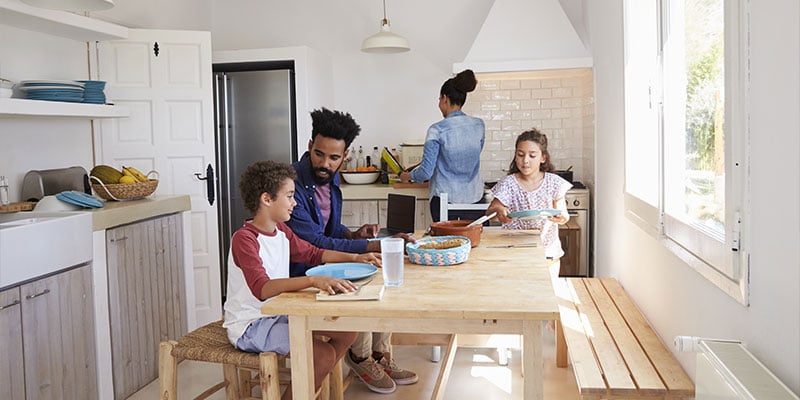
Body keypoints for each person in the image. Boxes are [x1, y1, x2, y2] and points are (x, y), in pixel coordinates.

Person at [286, 108, 418, 394]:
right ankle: (359, 357)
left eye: (334, 158)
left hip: (323, 264)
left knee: (381, 276)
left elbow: (329, 231)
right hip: (301, 273)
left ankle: (379, 355)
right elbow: (315, 244)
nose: (324, 163)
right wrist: (372, 244)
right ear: (309, 147)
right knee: (360, 285)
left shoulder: (331, 177)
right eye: (319, 154)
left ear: (344, 156)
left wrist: (353, 234)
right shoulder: (291, 185)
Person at [223, 160, 380, 400]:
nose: (295, 203)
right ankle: (303, 388)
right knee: (323, 355)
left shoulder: (281, 231)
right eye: (289, 196)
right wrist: (314, 280)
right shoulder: (245, 239)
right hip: (251, 325)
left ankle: (305, 386)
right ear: (266, 199)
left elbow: (313, 253)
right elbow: (263, 288)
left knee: (348, 332)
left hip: (278, 313)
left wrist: (357, 257)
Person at [399, 69, 486, 222]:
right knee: (474, 243)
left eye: (439, 99)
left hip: (446, 202)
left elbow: (426, 173)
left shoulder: (437, 130)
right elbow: (465, 158)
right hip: (475, 199)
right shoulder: (479, 125)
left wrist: (408, 176)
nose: (439, 104)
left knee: (446, 245)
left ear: (445, 99)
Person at [486, 129, 571, 259]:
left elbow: (563, 214)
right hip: (514, 251)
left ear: (543, 158)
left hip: (547, 251)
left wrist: (561, 217)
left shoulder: (554, 182)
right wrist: (499, 211)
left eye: (532, 156)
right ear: (515, 156)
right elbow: (490, 213)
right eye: (520, 154)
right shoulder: (508, 183)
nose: (525, 160)